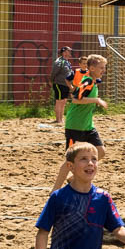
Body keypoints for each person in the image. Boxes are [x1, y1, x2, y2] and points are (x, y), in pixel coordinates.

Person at [52, 55, 109, 189]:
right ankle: (54, 190)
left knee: (100, 152)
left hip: (87, 126)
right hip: (75, 126)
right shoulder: (87, 81)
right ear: (92, 68)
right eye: (101, 67)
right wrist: (96, 100)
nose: (103, 70)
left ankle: (72, 178)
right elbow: (76, 99)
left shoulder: (94, 81)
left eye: (104, 67)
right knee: (69, 160)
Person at [48, 45, 76, 126]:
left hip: (66, 84)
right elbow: (54, 72)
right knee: (59, 101)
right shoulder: (59, 61)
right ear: (64, 52)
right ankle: (58, 119)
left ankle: (61, 119)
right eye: (68, 51)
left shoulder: (67, 62)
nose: (70, 52)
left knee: (63, 101)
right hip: (59, 84)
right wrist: (51, 81)